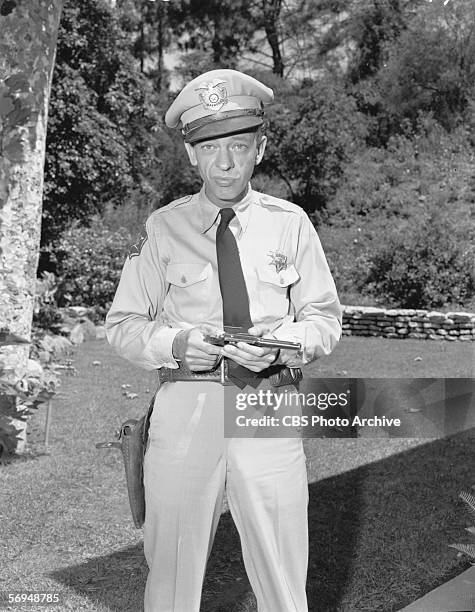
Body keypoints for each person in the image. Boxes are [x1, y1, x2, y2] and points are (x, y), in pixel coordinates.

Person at [105, 69, 342, 612]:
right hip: (187, 409)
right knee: (171, 576)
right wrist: (178, 342)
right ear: (192, 156)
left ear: (260, 147)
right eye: (211, 148)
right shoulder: (163, 229)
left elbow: (324, 320)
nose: (226, 163)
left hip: (268, 404)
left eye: (239, 145)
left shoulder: (291, 224)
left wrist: (282, 341)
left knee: (283, 571)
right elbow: (123, 325)